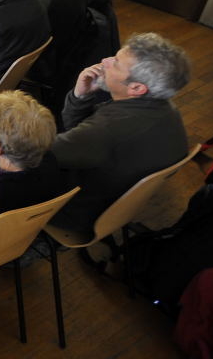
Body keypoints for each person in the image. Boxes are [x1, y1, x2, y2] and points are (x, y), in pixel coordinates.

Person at [49, 33, 190, 234]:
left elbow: (40, 156)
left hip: (73, 212)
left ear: (136, 88)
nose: (105, 61)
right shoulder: (168, 110)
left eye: (115, 62)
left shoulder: (108, 127)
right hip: (114, 207)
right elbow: (80, 135)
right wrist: (81, 97)